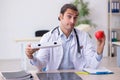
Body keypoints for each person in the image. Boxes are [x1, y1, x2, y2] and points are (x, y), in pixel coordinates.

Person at [25, 3, 105, 71]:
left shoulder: (83, 36)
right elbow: (41, 65)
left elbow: (93, 66)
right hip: (54, 77)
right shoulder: (48, 37)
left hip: (77, 76)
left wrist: (99, 52)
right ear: (61, 17)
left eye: (75, 17)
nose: (72, 21)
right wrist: (31, 57)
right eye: (69, 16)